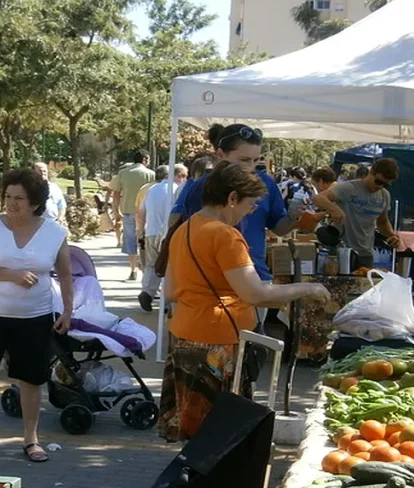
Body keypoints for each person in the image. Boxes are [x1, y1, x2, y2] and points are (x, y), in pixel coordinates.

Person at [159, 162, 329, 442]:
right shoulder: (225, 235)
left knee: (195, 432)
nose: (251, 212)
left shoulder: (185, 229)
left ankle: (195, 481)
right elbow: (254, 295)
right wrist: (305, 288)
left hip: (184, 337)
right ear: (232, 198)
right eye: (250, 205)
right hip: (218, 342)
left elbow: (171, 292)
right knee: (219, 434)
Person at [0, 168, 72, 463]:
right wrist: (9, 275)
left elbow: (64, 273)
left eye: (20, 198)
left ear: (36, 202)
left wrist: (68, 309)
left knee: (31, 379)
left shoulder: (54, 232)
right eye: (8, 197)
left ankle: (31, 439)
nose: (12, 204)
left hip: (34, 316)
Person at [161, 124, 319, 284]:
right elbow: (180, 225)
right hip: (214, 281)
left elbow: (279, 227)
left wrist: (293, 216)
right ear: (221, 154)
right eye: (243, 160)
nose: (250, 167)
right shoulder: (203, 186)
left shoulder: (264, 182)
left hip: (255, 273)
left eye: (256, 160)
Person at [311, 158, 401, 270]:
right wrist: (333, 208)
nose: (380, 186)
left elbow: (382, 221)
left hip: (366, 254)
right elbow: (317, 198)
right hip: (343, 252)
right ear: (371, 172)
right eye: (378, 181)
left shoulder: (384, 195)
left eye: (385, 184)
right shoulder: (349, 188)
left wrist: (391, 235)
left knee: (365, 286)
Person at [136, 163, 187, 311]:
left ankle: (147, 291)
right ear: (179, 176)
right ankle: (166, 302)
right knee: (169, 267)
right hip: (168, 232)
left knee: (152, 265)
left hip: (151, 231)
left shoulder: (152, 189)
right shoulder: (177, 190)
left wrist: (141, 231)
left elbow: (141, 212)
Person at [110, 150, 155, 281]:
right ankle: (145, 269)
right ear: (145, 159)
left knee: (130, 240)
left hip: (128, 210)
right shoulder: (151, 174)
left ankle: (133, 268)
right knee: (143, 241)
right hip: (145, 212)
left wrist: (116, 210)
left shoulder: (123, 173)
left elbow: (116, 194)